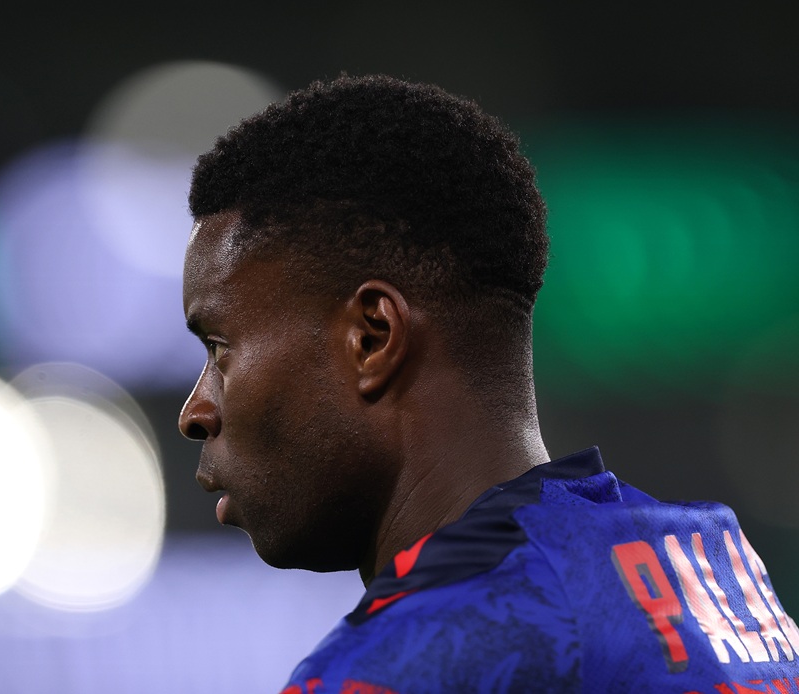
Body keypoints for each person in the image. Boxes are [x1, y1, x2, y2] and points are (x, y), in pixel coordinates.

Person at [177, 74, 799, 693]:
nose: (196, 410)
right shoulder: (715, 575)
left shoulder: (410, 661)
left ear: (371, 337)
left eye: (219, 348)